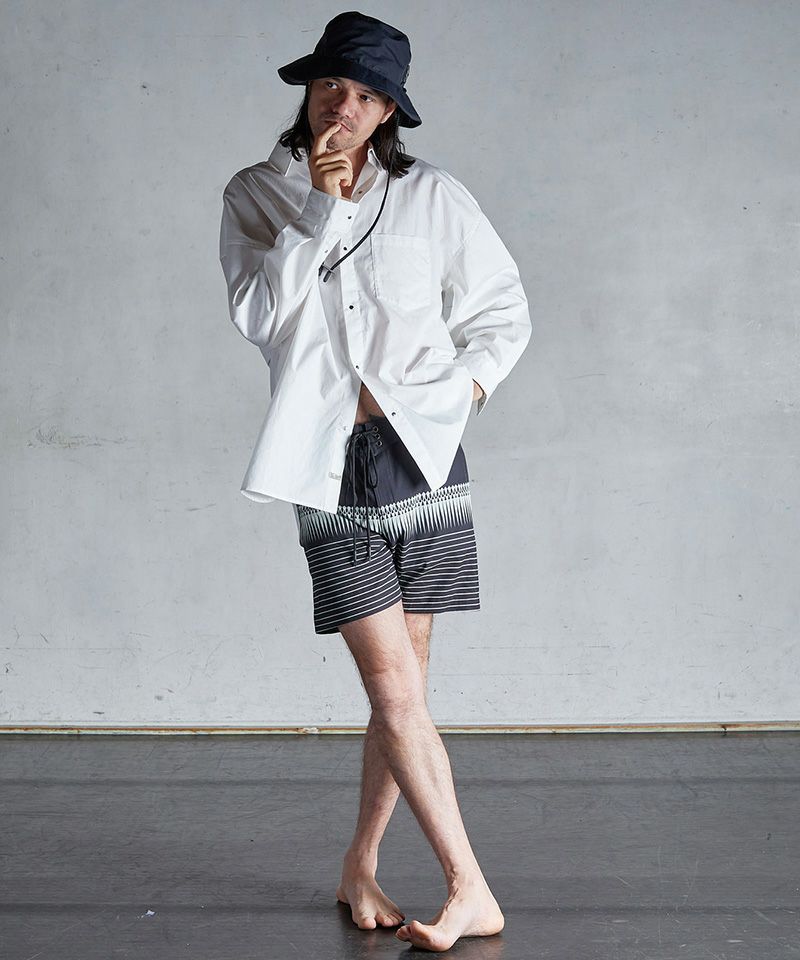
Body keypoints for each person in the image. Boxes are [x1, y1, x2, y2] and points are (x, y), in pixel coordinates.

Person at [218, 11, 531, 951]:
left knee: (407, 693)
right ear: (307, 91)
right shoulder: (257, 195)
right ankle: (471, 888)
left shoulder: (431, 195)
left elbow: (502, 310)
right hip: (327, 467)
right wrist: (319, 211)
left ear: (389, 109)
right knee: (394, 690)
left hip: (424, 459)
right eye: (330, 87)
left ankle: (361, 865)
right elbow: (260, 318)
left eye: (364, 95)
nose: (342, 107)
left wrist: (462, 394)